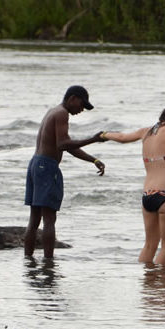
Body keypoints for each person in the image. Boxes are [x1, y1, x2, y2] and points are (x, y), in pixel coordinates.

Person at [24, 85, 107, 259]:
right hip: (46, 167)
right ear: (72, 99)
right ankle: (48, 263)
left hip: (35, 164)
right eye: (81, 105)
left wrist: (93, 159)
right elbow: (64, 144)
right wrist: (93, 139)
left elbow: (65, 146)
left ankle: (28, 260)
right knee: (49, 220)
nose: (81, 110)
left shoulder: (53, 111)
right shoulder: (62, 114)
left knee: (34, 220)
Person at [102, 104, 165, 265]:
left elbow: (122, 138)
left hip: (147, 194)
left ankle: (148, 284)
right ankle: (164, 285)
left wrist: (104, 135)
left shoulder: (145, 132)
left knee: (149, 245)